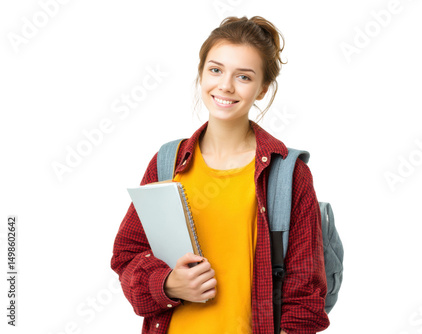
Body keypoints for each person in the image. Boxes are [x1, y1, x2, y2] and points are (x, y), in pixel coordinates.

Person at [110, 16, 330, 333]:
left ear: (263, 89)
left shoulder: (287, 173)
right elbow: (127, 256)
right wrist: (167, 284)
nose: (225, 85)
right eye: (216, 70)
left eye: (243, 76)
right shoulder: (167, 163)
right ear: (201, 73)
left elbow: (304, 295)